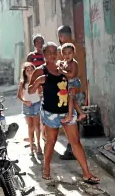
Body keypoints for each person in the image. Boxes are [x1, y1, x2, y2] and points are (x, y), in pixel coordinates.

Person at [28, 42, 100, 184]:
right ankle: (46, 169)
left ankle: (86, 173)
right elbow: (30, 89)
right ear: (44, 54)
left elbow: (72, 83)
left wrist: (74, 91)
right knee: (51, 141)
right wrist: (38, 82)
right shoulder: (40, 70)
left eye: (55, 52)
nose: (53, 55)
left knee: (75, 141)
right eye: (49, 52)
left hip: (67, 109)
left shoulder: (63, 67)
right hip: (51, 112)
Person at [57, 25, 87, 160]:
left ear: (62, 36)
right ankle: (74, 148)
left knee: (72, 120)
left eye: (60, 37)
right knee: (73, 120)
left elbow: (73, 72)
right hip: (78, 88)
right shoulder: (78, 48)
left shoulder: (66, 51)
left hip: (73, 87)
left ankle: (73, 149)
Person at [17, 62, 42, 155]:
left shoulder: (37, 81)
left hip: (36, 104)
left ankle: (39, 146)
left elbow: (40, 92)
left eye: (31, 70)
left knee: (37, 126)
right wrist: (25, 102)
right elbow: (19, 96)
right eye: (27, 70)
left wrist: (40, 95)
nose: (30, 72)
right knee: (30, 127)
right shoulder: (22, 83)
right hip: (27, 106)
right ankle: (31, 147)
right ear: (24, 72)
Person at [58, 43, 86, 123]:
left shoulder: (74, 63)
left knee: (70, 98)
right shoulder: (65, 62)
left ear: (74, 53)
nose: (67, 55)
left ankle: (70, 115)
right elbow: (60, 64)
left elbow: (72, 75)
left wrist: (62, 71)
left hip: (74, 83)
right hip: (69, 84)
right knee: (72, 101)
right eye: (65, 53)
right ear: (62, 54)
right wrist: (60, 64)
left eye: (69, 53)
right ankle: (81, 113)